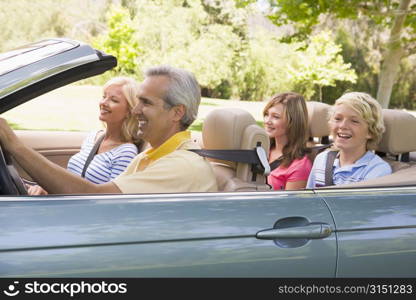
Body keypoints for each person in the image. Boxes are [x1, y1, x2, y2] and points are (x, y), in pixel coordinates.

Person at [0, 65, 218, 194]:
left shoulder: (181, 165)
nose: (136, 110)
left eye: (146, 103)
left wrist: (14, 144)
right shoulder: (150, 157)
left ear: (177, 113)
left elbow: (95, 196)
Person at [27, 76, 142, 195]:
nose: (103, 103)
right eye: (104, 96)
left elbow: (111, 199)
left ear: (129, 112)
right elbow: (72, 181)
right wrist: (46, 189)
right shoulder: (93, 137)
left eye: (113, 100)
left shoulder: (126, 152)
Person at [306, 92, 392, 188]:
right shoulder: (322, 159)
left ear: (370, 132)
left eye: (354, 121)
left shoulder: (377, 170)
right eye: (338, 119)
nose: (343, 126)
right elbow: (309, 200)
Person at [263, 92, 312, 190]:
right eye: (266, 114)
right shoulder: (262, 150)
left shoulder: (300, 166)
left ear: (293, 122)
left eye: (276, 117)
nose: (267, 121)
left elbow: (289, 204)